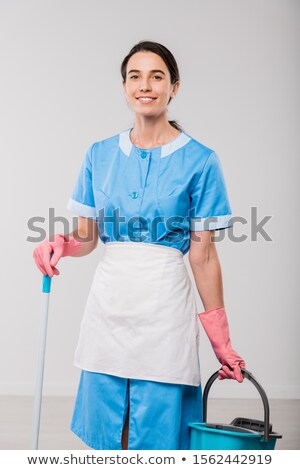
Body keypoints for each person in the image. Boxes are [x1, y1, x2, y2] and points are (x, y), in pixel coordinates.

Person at [33, 40, 246, 450]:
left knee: (158, 425)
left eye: (156, 76)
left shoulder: (201, 161)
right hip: (109, 303)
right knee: (111, 423)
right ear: (125, 86)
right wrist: (61, 244)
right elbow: (87, 236)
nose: (144, 85)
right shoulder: (99, 155)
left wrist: (220, 337)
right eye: (135, 76)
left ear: (174, 87)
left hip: (165, 304)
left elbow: (202, 254)